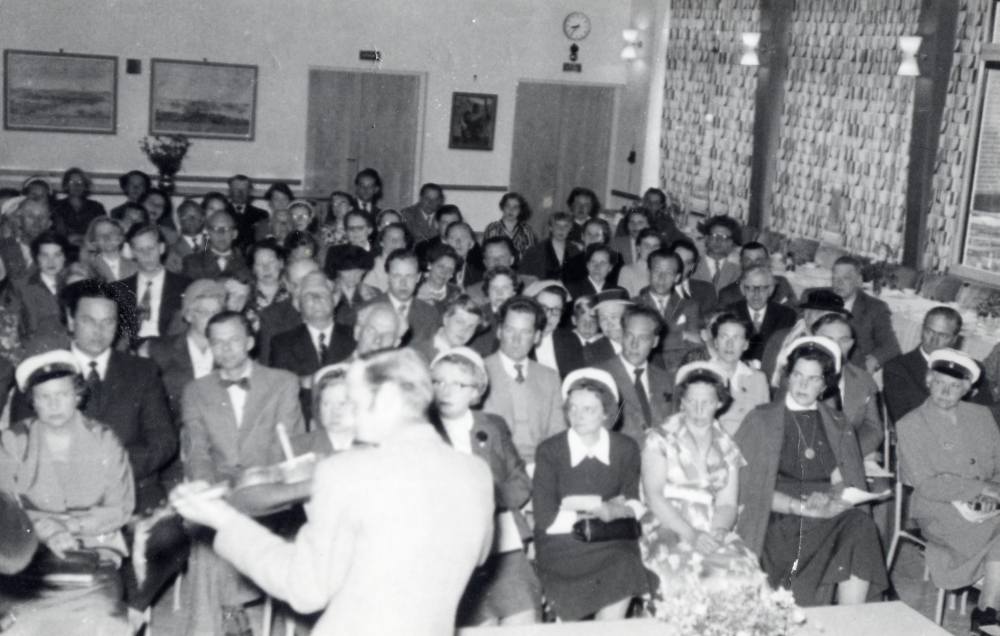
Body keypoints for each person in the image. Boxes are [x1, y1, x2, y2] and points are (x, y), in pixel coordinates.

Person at [171, 348, 495, 636]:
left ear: (387, 401)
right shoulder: (476, 474)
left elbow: (306, 587)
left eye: (354, 400)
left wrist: (226, 522)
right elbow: (475, 557)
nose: (347, 413)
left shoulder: (346, 472)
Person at [735, 337, 888, 606]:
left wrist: (834, 499)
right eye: (797, 375)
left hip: (825, 510)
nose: (803, 384)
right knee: (822, 531)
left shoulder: (837, 422)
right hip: (777, 516)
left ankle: (850, 621)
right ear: (787, 376)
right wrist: (803, 507)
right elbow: (748, 489)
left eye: (813, 378)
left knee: (861, 525)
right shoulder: (761, 419)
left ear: (825, 384)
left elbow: (842, 479)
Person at [180, 310, 306, 635]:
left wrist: (253, 486)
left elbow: (287, 449)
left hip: (268, 491)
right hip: (220, 489)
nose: (226, 349)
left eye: (234, 340)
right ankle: (226, 615)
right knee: (206, 531)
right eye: (217, 342)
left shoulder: (282, 383)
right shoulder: (195, 391)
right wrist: (208, 493)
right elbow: (197, 453)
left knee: (212, 534)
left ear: (250, 342)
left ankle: (225, 616)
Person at [0, 350, 135, 636]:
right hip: (30, 553)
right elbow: (5, 507)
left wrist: (70, 527)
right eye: (44, 397)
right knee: (22, 621)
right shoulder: (13, 441)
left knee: (102, 618)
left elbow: (120, 507)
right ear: (32, 402)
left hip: (94, 549)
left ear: (77, 395)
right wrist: (46, 529)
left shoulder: (104, 439)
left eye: (62, 394)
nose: (54, 404)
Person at [12, 280, 176, 513]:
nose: (98, 331)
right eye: (88, 321)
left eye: (107, 322)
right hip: (59, 496)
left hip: (133, 489)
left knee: (166, 540)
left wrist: (111, 469)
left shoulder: (143, 371)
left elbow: (163, 441)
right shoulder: (40, 371)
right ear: (70, 319)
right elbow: (24, 445)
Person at [640, 362, 763, 616]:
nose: (698, 409)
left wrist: (717, 532)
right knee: (685, 576)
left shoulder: (728, 446)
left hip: (711, 525)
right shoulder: (659, 438)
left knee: (746, 573)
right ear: (682, 401)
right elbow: (653, 496)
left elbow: (727, 504)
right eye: (691, 401)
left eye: (706, 402)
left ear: (720, 403)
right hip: (668, 525)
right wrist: (692, 535)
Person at [430, 348, 541, 626]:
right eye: (438, 382)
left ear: (476, 391)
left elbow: (520, 480)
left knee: (524, 619)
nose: (445, 391)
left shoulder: (492, 426)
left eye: (457, 384)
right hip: (451, 548)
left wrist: (491, 502)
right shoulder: (422, 432)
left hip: (502, 541)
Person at [896, 348, 1000, 636]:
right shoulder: (910, 424)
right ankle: (988, 614)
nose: (945, 390)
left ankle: (987, 613)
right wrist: (982, 489)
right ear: (928, 380)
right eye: (940, 382)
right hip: (938, 510)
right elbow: (927, 484)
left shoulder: (981, 415)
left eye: (955, 386)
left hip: (991, 503)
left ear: (967, 390)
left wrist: (994, 493)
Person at [532, 369, 650, 621]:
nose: (577, 416)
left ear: (607, 412)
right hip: (562, 545)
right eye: (572, 408)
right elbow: (545, 518)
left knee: (624, 566)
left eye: (588, 409)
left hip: (612, 541)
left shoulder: (625, 448)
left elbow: (634, 503)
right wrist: (602, 509)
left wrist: (616, 509)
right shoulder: (550, 451)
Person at [482, 296, 565, 465]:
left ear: (537, 336)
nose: (516, 340)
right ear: (499, 331)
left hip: (540, 466)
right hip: (494, 465)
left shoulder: (550, 377)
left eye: (525, 332)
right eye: (510, 330)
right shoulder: (479, 371)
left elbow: (558, 433)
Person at [884, 305, 996, 423]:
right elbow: (904, 418)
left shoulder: (973, 369)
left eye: (943, 335)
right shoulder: (897, 367)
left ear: (955, 339)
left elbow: (987, 413)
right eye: (929, 331)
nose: (934, 340)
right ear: (922, 330)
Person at [269, 271, 356, 417]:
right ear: (298, 305)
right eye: (308, 295)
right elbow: (280, 393)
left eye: (322, 293)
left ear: (334, 299)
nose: (316, 299)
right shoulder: (281, 344)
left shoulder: (355, 338)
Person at [808, 313, 883, 458]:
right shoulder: (796, 378)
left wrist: (850, 453)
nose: (836, 347)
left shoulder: (864, 380)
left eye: (844, 340)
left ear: (852, 344)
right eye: (828, 340)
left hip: (849, 458)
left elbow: (873, 429)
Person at [595, 304, 671, 444]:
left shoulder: (666, 379)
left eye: (643, 338)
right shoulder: (599, 376)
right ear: (622, 336)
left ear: (655, 342)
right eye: (629, 336)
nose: (634, 344)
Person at [827, 255, 901, 373]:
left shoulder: (875, 308)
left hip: (854, 369)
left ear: (859, 281)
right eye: (835, 278)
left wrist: (874, 360)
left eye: (846, 278)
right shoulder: (819, 300)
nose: (839, 283)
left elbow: (891, 346)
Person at [121, 224, 191, 341]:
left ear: (162, 248)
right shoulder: (119, 289)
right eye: (140, 249)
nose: (146, 255)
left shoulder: (184, 286)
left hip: (168, 348)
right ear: (132, 252)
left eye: (151, 248)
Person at [704, 312, 770, 436]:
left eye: (736, 338)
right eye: (724, 336)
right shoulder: (702, 376)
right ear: (716, 342)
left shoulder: (758, 379)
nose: (730, 344)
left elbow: (765, 424)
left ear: (745, 345)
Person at [364, 249, 442, 344]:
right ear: (388, 276)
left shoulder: (430, 314)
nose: (403, 283)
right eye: (397, 276)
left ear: (418, 277)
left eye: (409, 276)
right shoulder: (368, 309)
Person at [727, 266, 797, 362]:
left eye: (762, 288)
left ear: (771, 290)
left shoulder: (786, 315)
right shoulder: (729, 312)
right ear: (742, 290)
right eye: (750, 288)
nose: (756, 294)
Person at [13, 230, 72, 344]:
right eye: (44, 255)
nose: (51, 261)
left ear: (65, 257)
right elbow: (12, 330)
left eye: (57, 255)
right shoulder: (21, 288)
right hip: (33, 352)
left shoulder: (74, 283)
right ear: (36, 258)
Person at [525, 281, 583, 378]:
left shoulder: (569, 340)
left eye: (556, 309)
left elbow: (577, 380)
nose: (548, 315)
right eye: (543, 308)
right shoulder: (519, 340)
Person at [717, 242, 797, 307]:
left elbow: (795, 312)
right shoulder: (728, 294)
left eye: (759, 260)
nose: (753, 265)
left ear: (768, 262)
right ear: (741, 262)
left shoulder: (781, 284)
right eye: (747, 260)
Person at [409, 294, 484, 363]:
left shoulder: (472, 358)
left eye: (471, 326)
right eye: (459, 322)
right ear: (445, 319)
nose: (464, 330)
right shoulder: (417, 351)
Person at [182, 210, 251, 280]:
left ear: (234, 234)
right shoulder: (192, 263)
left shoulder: (246, 263)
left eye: (226, 229)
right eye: (215, 229)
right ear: (208, 233)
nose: (221, 234)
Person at [520, 211, 580, 282]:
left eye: (566, 226)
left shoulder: (575, 251)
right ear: (551, 228)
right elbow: (524, 277)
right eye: (557, 225)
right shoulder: (535, 251)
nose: (561, 229)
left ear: (570, 229)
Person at [51, 168, 107, 244]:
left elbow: (101, 232)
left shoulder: (96, 207)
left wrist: (79, 238)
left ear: (85, 186)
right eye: (71, 182)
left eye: (80, 182)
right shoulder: (56, 206)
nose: (76, 185)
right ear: (66, 185)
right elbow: (57, 234)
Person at [328, 244, 378, 328]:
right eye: (347, 271)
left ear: (364, 271)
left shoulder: (374, 294)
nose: (353, 276)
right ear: (338, 271)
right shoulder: (327, 292)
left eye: (358, 271)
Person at [669, 238, 720, 319]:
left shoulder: (707, 290)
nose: (682, 267)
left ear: (692, 266)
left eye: (688, 262)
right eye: (678, 260)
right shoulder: (657, 289)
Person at [692, 216, 742, 292]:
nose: (718, 241)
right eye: (714, 235)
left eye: (724, 237)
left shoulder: (737, 272)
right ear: (706, 238)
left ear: (731, 242)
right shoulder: (692, 266)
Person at [483, 192, 537, 260]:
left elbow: (530, 257)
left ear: (520, 210)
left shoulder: (527, 231)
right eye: (508, 206)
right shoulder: (492, 228)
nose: (511, 210)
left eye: (515, 207)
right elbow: (486, 254)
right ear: (503, 207)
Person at [84, 217, 137, 282]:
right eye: (100, 234)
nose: (106, 237)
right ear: (94, 241)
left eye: (111, 233)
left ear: (120, 237)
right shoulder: (89, 269)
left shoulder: (134, 266)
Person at [362, 222, 409, 293]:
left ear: (404, 244)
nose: (394, 242)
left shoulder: (409, 266)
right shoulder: (372, 267)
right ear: (381, 242)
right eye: (390, 238)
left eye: (399, 239)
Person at [226, 175, 270, 251]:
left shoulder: (261, 214)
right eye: (236, 189)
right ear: (230, 191)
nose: (240, 193)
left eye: (244, 189)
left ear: (250, 191)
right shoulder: (223, 213)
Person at [165, 198, 207, 274]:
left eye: (195, 216)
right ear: (178, 220)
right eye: (186, 216)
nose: (191, 220)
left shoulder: (213, 244)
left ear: (203, 219)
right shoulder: (170, 249)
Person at [617, 228, 662, 298]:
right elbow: (627, 302)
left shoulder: (663, 272)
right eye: (646, 245)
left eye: (655, 246)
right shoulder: (627, 271)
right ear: (638, 248)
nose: (651, 249)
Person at [415, 243, 461, 308]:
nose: (444, 272)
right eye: (441, 266)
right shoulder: (414, 288)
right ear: (430, 265)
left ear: (452, 274)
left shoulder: (456, 292)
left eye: (449, 269)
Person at [445, 221, 485, 289]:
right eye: (453, 238)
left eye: (463, 237)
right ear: (446, 243)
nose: (458, 242)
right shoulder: (436, 267)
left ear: (471, 244)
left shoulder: (479, 272)